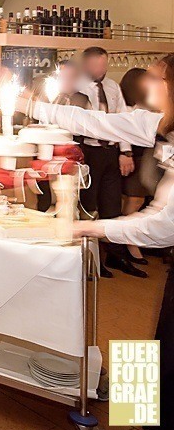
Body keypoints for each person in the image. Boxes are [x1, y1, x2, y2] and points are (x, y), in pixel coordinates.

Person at [18, 54, 174, 430]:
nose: (146, 88)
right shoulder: (158, 122)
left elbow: (164, 227)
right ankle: (139, 414)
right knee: (161, 340)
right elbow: (96, 121)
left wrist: (90, 229)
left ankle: (144, 417)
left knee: (168, 349)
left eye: (156, 81)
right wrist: (32, 106)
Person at [76, 47, 144, 278]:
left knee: (112, 206)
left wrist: (126, 152)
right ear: (86, 65)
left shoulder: (113, 87)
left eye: (103, 65)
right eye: (96, 65)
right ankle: (92, 260)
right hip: (88, 151)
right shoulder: (77, 88)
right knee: (89, 205)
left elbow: (122, 121)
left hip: (111, 152)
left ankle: (116, 255)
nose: (101, 70)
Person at [34, 60, 90, 213]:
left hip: (72, 155)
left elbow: (86, 127)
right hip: (47, 154)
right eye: (63, 77)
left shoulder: (82, 99)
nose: (67, 81)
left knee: (68, 199)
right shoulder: (46, 98)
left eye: (71, 77)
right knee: (46, 201)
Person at [120, 67, 157, 267]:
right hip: (134, 155)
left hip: (147, 155)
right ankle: (129, 243)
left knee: (140, 201)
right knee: (133, 201)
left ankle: (133, 241)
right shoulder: (127, 108)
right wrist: (126, 154)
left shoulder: (149, 105)